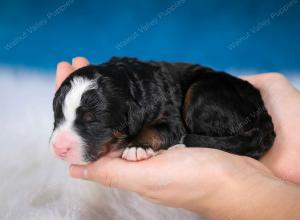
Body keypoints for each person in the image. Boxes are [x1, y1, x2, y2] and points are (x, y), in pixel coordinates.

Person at [56, 57, 300, 220]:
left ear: (131, 115)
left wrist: (143, 141)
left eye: (90, 123)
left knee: (199, 97)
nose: (58, 142)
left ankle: (226, 140)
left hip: (228, 102)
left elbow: (169, 127)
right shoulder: (117, 95)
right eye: (59, 116)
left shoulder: (148, 101)